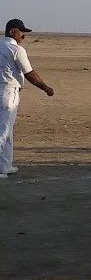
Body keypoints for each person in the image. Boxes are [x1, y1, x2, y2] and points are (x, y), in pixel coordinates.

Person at [0, 19, 54, 178]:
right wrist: (46, 88)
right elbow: (29, 73)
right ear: (12, 32)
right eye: (21, 32)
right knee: (3, 131)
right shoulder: (16, 50)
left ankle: (5, 165)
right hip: (8, 92)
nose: (23, 35)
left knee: (7, 131)